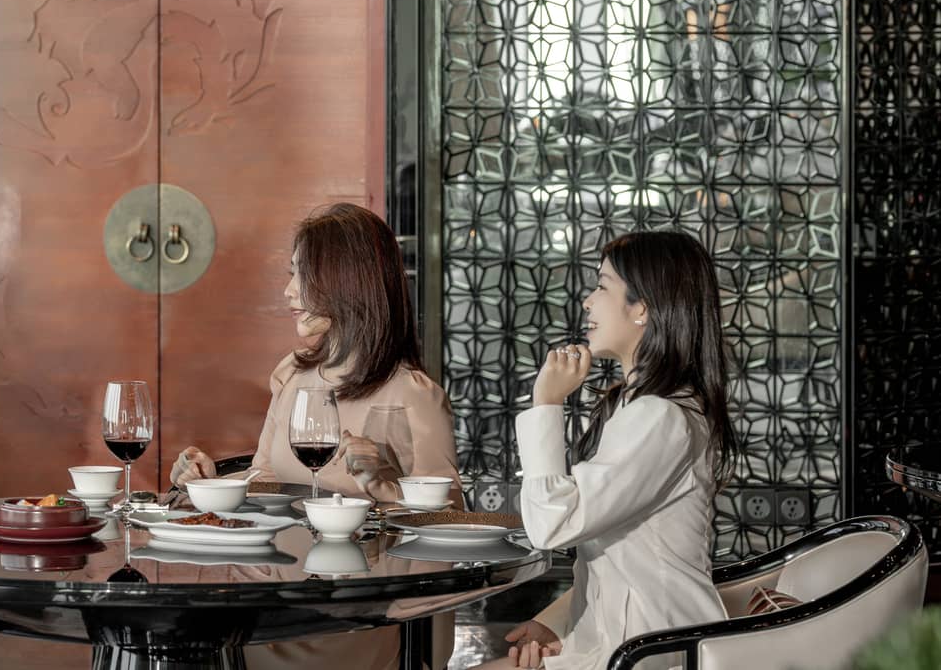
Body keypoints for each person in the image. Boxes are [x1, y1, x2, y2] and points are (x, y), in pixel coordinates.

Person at [169, 202, 462, 670]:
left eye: (302, 277)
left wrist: (385, 488)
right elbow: (267, 477)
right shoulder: (292, 376)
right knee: (180, 634)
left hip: (356, 612)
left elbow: (450, 529)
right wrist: (207, 484)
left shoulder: (412, 394)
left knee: (202, 644)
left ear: (346, 283)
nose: (288, 292)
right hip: (272, 586)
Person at [477, 231, 738, 670]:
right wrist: (553, 622)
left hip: (651, 650)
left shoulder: (660, 417)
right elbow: (614, 555)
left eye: (601, 285)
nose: (587, 301)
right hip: (625, 642)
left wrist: (547, 403)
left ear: (642, 308)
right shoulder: (637, 404)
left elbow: (551, 527)